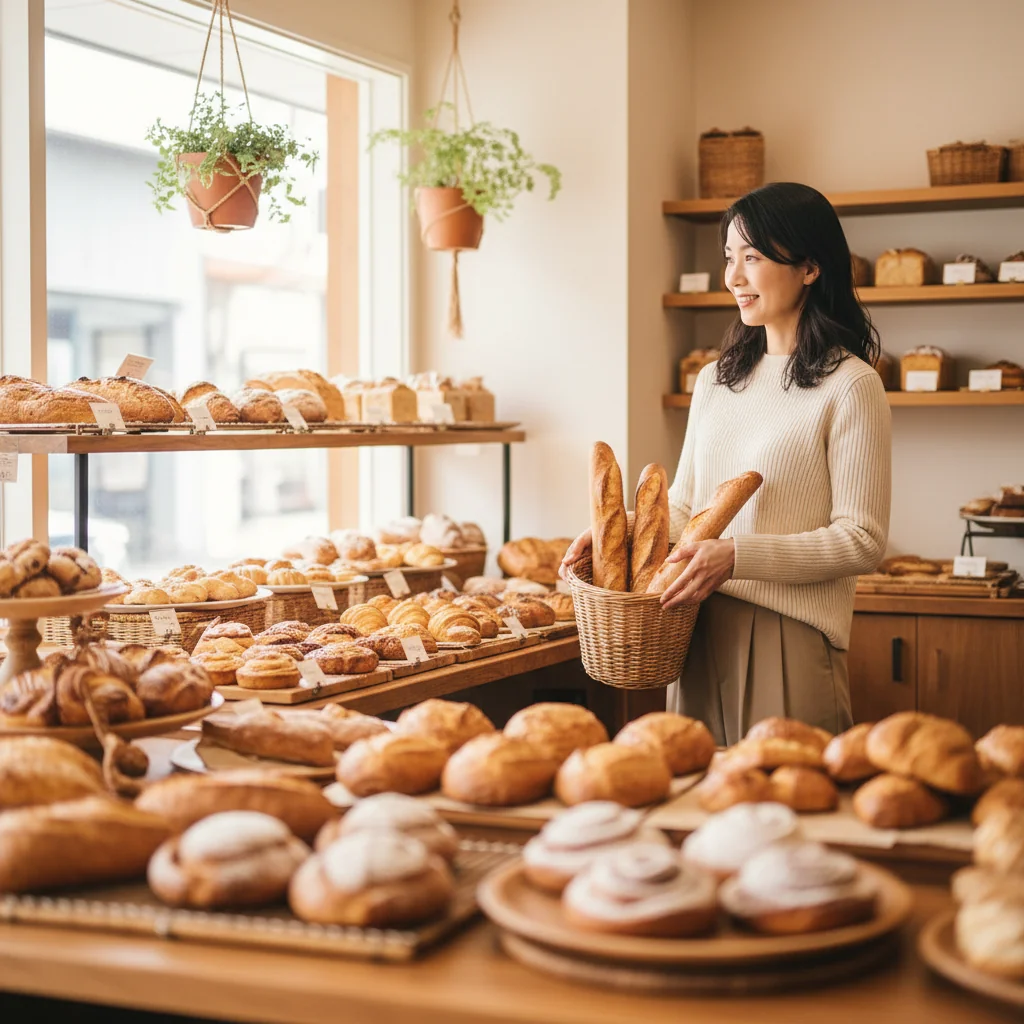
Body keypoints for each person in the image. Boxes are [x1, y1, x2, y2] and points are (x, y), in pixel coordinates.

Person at [561, 181, 891, 745]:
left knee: (785, 814)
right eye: (728, 258)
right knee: (697, 811)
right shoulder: (716, 379)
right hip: (688, 623)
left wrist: (735, 556)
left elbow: (861, 540)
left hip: (789, 633)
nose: (733, 277)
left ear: (810, 267)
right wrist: (616, 534)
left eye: (753, 258)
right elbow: (686, 507)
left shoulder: (852, 385)